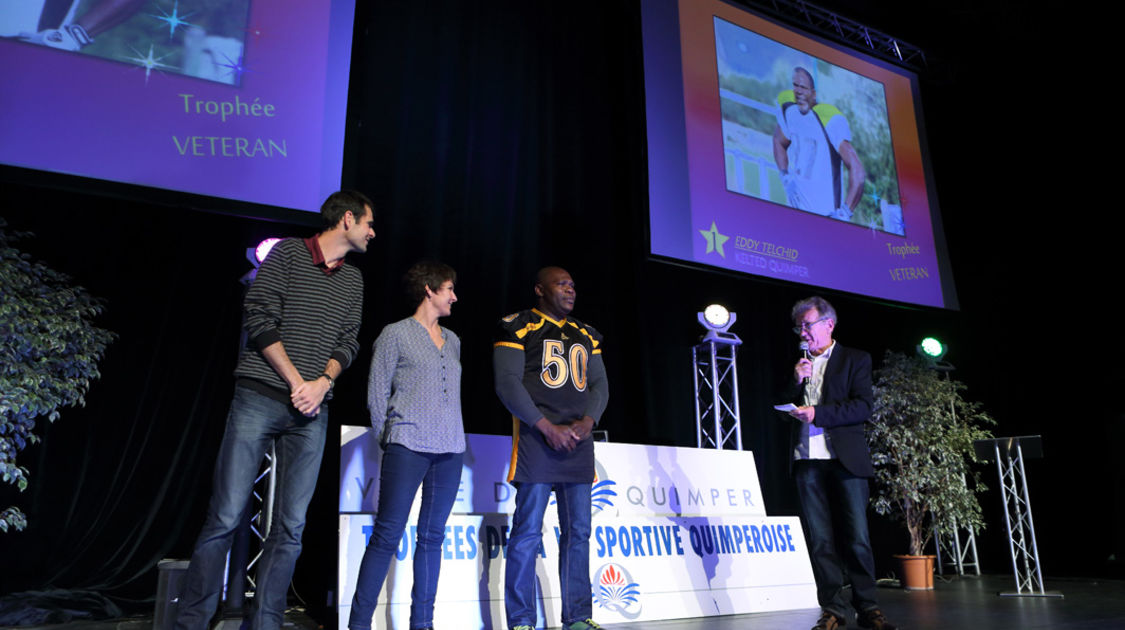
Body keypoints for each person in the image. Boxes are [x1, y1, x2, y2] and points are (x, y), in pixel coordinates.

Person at [175, 190, 375, 630]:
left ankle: (265, 623)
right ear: (347, 219)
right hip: (260, 396)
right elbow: (259, 317)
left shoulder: (353, 280)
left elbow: (349, 339)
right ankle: (191, 622)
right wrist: (296, 382)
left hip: (312, 411)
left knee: (291, 528)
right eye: (368, 223)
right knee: (226, 516)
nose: (372, 232)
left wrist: (322, 384)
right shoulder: (287, 253)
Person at [348, 261, 465, 630]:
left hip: (450, 450)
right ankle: (359, 624)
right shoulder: (395, 334)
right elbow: (376, 392)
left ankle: (422, 623)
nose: (454, 297)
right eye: (449, 289)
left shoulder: (455, 341)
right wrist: (390, 438)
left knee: (432, 537)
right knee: (387, 534)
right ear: (429, 289)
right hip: (407, 444)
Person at [494, 267, 609, 630]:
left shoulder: (586, 334)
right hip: (537, 441)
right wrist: (546, 427)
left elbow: (600, 386)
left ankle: (577, 617)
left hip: (577, 444)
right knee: (527, 532)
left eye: (573, 284)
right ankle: (522, 620)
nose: (571, 290)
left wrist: (587, 423)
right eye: (562, 284)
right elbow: (507, 384)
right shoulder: (518, 325)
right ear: (540, 289)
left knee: (579, 533)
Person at [782, 296, 896, 630]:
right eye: (799, 327)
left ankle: (869, 607)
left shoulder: (855, 359)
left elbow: (862, 407)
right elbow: (777, 402)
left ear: (829, 324)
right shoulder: (797, 363)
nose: (803, 332)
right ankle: (833, 609)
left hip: (845, 459)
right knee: (820, 540)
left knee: (857, 537)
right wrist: (794, 381)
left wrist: (819, 413)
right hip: (807, 461)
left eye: (808, 325)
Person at [772, 67, 866, 221]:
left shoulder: (828, 118)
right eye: (795, 85)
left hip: (825, 216)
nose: (799, 91)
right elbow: (778, 140)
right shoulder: (789, 109)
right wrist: (785, 176)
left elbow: (858, 171)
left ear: (814, 93)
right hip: (796, 212)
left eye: (804, 88)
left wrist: (846, 212)